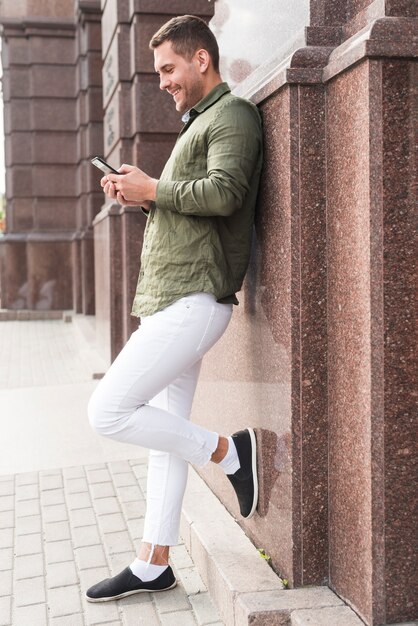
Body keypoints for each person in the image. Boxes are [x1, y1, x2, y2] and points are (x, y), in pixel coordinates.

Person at [85, 14, 263, 603]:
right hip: (171, 297)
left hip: (193, 299)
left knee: (107, 409)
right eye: (158, 70)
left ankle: (228, 450)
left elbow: (226, 192)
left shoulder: (231, 115)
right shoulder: (200, 123)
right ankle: (152, 561)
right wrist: (140, 193)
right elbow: (188, 204)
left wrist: (154, 189)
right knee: (164, 437)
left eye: (168, 68)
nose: (162, 80)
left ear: (201, 60)